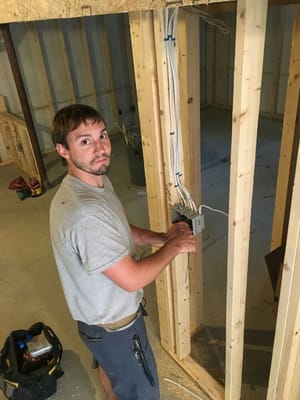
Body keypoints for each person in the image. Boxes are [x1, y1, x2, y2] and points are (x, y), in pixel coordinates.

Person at [49, 104, 197, 400]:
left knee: (111, 371)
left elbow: (118, 228)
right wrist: (175, 245)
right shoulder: (85, 214)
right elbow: (131, 279)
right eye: (85, 141)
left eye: (102, 135)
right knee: (142, 390)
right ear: (63, 150)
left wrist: (161, 237)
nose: (101, 147)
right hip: (115, 327)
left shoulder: (92, 184)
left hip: (96, 322)